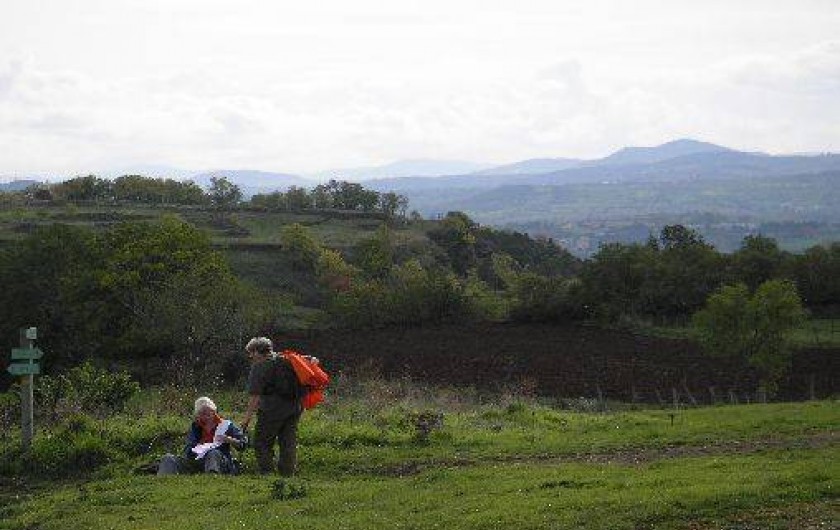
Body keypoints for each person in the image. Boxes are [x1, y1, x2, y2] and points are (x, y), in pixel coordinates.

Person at [241, 336, 305, 476]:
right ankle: (287, 474)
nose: (250, 356)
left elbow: (255, 397)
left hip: (272, 410)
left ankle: (267, 473)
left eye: (251, 352)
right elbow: (311, 360)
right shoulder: (287, 359)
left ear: (258, 352)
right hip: (294, 407)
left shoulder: (259, 367)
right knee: (288, 441)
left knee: (261, 441)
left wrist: (246, 419)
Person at [157, 396, 247, 475]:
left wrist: (228, 439)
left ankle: (212, 477)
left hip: (219, 461)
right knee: (168, 458)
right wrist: (197, 448)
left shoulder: (227, 425)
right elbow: (188, 449)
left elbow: (243, 444)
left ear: (214, 412)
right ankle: (164, 480)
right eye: (202, 414)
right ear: (197, 415)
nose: (205, 417)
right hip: (197, 460)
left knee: (213, 453)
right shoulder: (195, 426)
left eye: (208, 414)